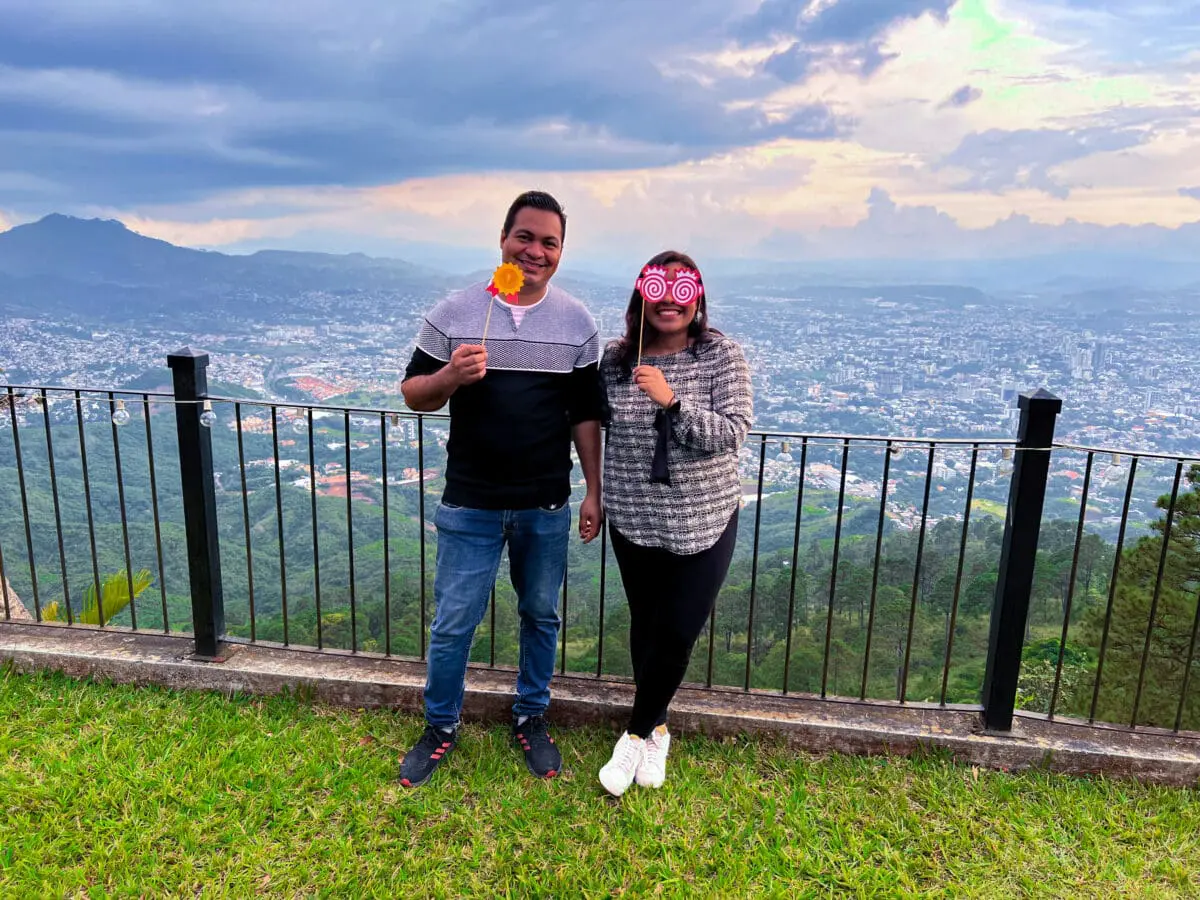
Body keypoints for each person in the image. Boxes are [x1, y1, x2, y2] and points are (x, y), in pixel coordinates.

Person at [398, 191, 605, 788]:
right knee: (454, 621)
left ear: (561, 251)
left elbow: (585, 416)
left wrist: (593, 490)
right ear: (503, 239)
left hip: (546, 502)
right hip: (470, 500)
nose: (535, 251)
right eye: (525, 237)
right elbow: (413, 392)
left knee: (541, 615)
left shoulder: (577, 324)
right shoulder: (458, 312)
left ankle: (531, 717)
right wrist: (449, 376)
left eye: (549, 242)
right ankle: (440, 726)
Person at [597, 251, 753, 796]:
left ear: (698, 299)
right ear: (641, 296)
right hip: (634, 516)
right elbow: (597, 428)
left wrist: (674, 402)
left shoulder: (720, 355)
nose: (668, 300)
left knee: (681, 628)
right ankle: (659, 726)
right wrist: (595, 495)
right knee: (646, 623)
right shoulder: (616, 362)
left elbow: (733, 433)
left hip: (705, 518)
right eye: (657, 289)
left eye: (680, 289)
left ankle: (636, 734)